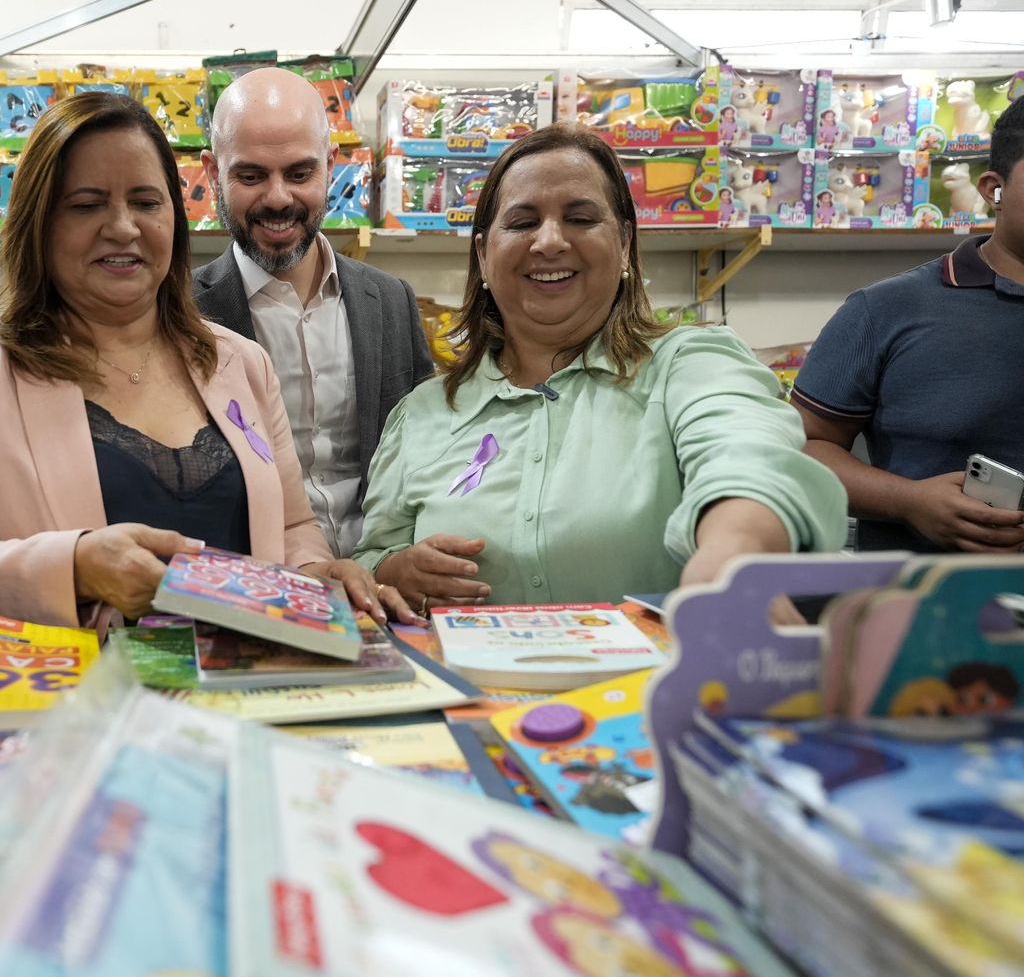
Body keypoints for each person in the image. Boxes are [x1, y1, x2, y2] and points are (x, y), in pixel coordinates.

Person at [0, 92, 408, 629]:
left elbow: (291, 528)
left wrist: (319, 574)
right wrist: (74, 565)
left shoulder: (240, 363)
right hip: (65, 701)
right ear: (39, 222)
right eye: (87, 204)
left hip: (243, 695)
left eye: (146, 202)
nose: (122, 227)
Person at [352, 124, 847, 612]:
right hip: (467, 689)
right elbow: (372, 559)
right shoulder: (422, 414)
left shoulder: (690, 366)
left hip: (652, 688)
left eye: (580, 219)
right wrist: (394, 572)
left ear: (626, 244)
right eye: (522, 222)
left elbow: (748, 459)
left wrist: (731, 556)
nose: (549, 241)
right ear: (483, 255)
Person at [194, 68, 435, 559]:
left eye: (300, 173)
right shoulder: (176, 313)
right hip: (251, 589)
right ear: (212, 173)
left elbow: (426, 451)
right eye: (251, 175)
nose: (278, 198)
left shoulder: (391, 301)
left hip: (383, 581)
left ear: (331, 165)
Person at [793, 96, 1024, 553]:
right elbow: (801, 448)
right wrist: (909, 501)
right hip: (921, 606)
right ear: (994, 189)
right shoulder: (885, 311)